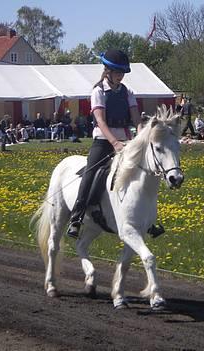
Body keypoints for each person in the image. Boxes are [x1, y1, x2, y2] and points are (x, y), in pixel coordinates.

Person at [66, 49, 142, 238]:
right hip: (103, 140)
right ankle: (77, 216)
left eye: (122, 73)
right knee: (91, 173)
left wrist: (140, 136)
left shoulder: (128, 92)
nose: (121, 76)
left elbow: (135, 118)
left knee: (142, 171)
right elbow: (100, 121)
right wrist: (114, 142)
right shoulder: (98, 91)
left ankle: (144, 217)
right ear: (108, 71)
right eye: (118, 72)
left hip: (125, 140)